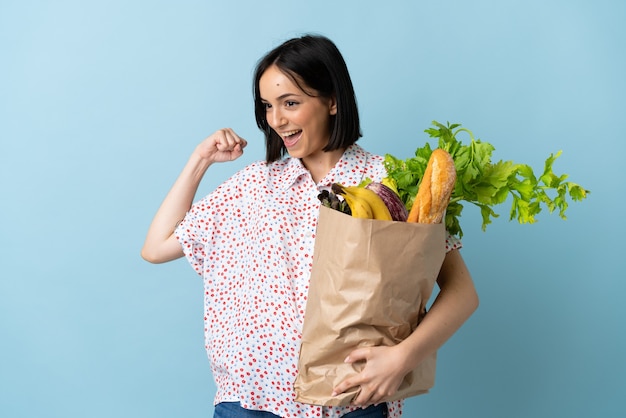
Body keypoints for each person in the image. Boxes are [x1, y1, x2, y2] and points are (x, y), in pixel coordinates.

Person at [141, 34, 479, 418]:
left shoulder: (389, 181)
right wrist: (200, 160)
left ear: (332, 101)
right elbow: (156, 247)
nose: (276, 119)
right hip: (249, 401)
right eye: (268, 106)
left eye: (291, 103)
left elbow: (462, 292)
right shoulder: (254, 184)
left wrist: (403, 358)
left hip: (349, 403)